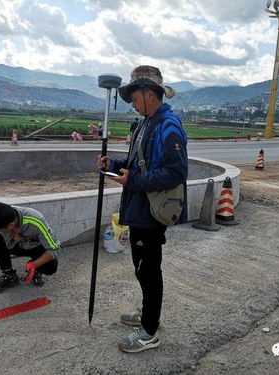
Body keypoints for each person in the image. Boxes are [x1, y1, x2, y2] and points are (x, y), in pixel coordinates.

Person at [97, 65, 188, 353]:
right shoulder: (147, 123)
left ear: (150, 94)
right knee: (142, 268)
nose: (133, 105)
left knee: (148, 269)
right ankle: (150, 314)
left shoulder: (168, 125)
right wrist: (113, 165)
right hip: (140, 207)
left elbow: (176, 172)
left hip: (152, 212)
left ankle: (149, 331)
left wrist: (132, 179)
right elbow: (137, 163)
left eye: (135, 99)